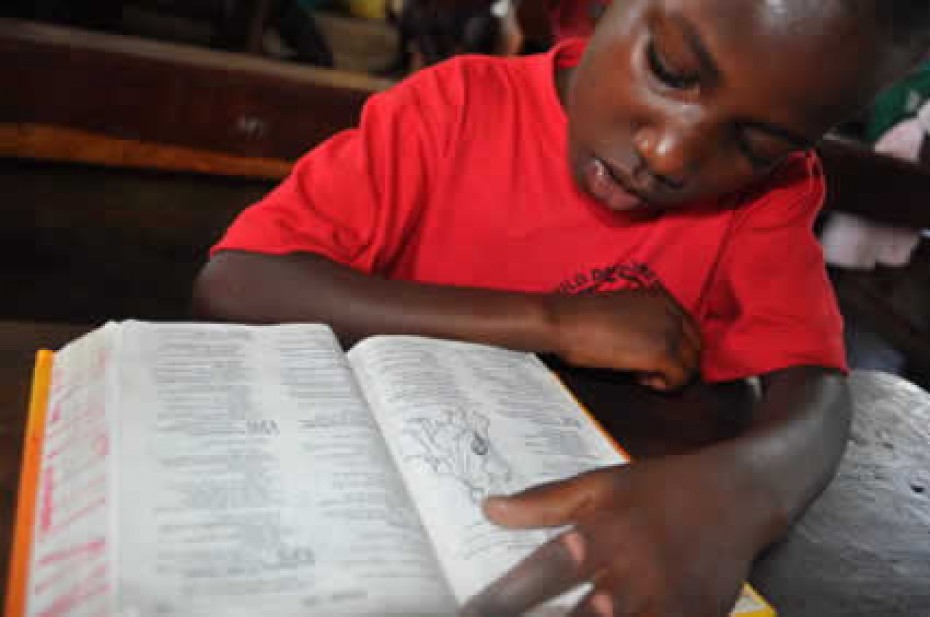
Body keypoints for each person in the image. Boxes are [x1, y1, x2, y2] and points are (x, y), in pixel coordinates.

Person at [194, 1, 930, 615]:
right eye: (671, 71)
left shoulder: (766, 198)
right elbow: (234, 283)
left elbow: (819, 389)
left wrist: (747, 492)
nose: (670, 154)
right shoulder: (450, 110)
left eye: (756, 142)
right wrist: (553, 321)